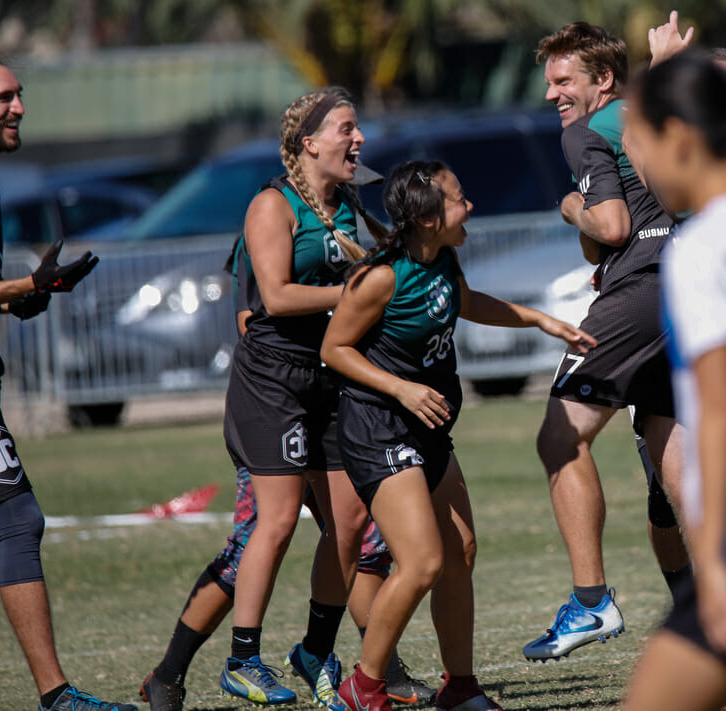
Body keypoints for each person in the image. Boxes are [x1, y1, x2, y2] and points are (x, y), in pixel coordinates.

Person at [320, 159, 597, 711]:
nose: (469, 207)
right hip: (380, 428)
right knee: (421, 561)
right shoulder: (380, 277)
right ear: (427, 217)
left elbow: (464, 303)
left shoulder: (443, 259)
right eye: (458, 198)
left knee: (460, 550)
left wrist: (539, 319)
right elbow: (334, 350)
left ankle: (461, 689)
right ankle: (363, 686)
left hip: (428, 429)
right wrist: (401, 389)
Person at [139, 231, 434, 711]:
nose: (358, 166)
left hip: (331, 396)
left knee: (362, 537)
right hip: (278, 403)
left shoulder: (349, 217)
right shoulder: (272, 223)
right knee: (251, 545)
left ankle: (380, 670)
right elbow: (249, 320)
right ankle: (170, 674)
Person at [0, 54, 135, 711]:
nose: (19, 107)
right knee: (21, 515)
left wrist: (30, 298)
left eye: (21, 95)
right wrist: (20, 285)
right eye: (5, 97)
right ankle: (57, 697)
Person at [523, 22, 689, 662]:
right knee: (670, 451)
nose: (552, 94)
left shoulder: (585, 131)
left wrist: (569, 206)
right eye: (549, 82)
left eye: (563, 81)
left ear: (603, 81)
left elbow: (610, 227)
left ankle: (592, 603)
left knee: (560, 435)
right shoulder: (643, 115)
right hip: (684, 287)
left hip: (641, 290)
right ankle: (712, 605)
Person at [212, 87, 378, 708]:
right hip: (272, 381)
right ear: (309, 144)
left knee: (350, 521)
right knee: (277, 518)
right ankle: (242, 660)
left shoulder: (349, 204)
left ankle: (313, 648)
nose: (358, 140)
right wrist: (355, 294)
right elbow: (275, 297)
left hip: (328, 377)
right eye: (346, 129)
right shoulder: (272, 204)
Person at [621, 50, 726, 711]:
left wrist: (711, 563)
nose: (640, 164)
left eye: (642, 142)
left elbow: (716, 413)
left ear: (679, 138)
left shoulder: (697, 249)